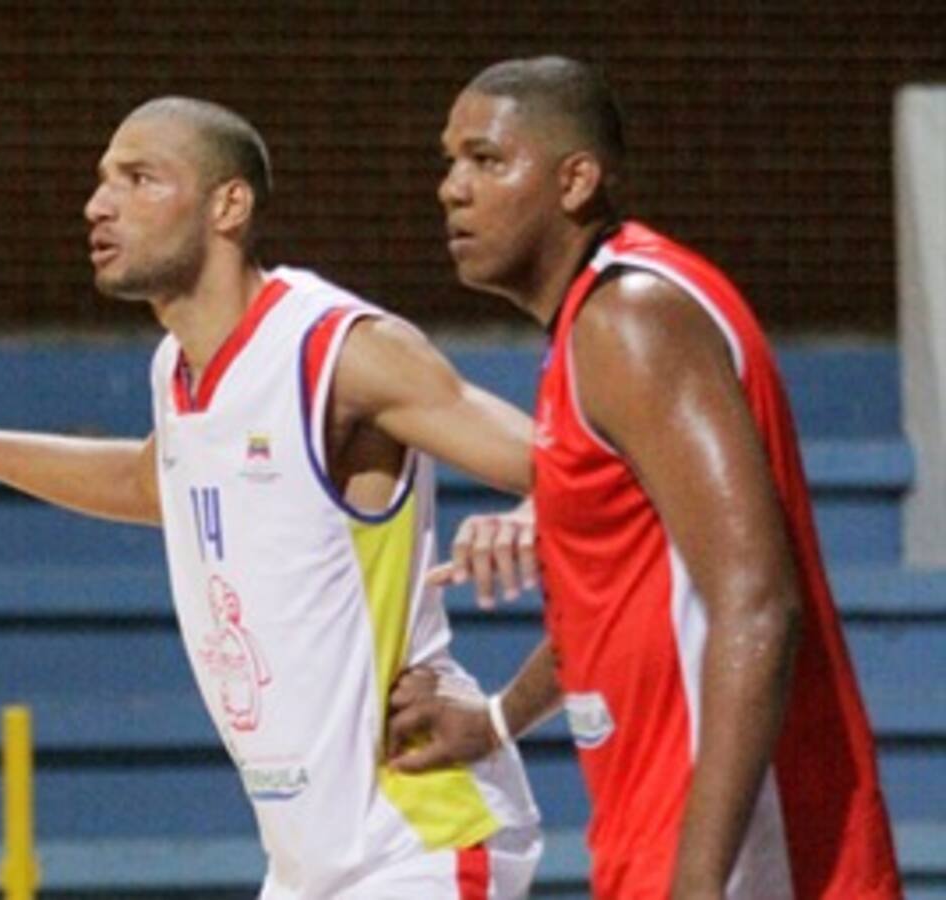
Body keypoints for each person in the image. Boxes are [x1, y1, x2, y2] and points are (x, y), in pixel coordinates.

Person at [0, 97, 544, 899]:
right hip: (309, 863)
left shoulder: (340, 350)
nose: (98, 204)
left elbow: (581, 467)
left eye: (138, 178)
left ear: (229, 205)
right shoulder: (177, 368)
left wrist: (535, 511)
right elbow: (150, 480)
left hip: (417, 834)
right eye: (101, 182)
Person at [386, 56, 903, 899]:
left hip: (737, 855)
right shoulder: (597, 326)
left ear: (575, 180)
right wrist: (494, 720)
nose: (452, 188)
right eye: (449, 162)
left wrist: (697, 882)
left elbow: (756, 602)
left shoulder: (632, 320)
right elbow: (623, 599)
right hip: (657, 834)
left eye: (486, 160)